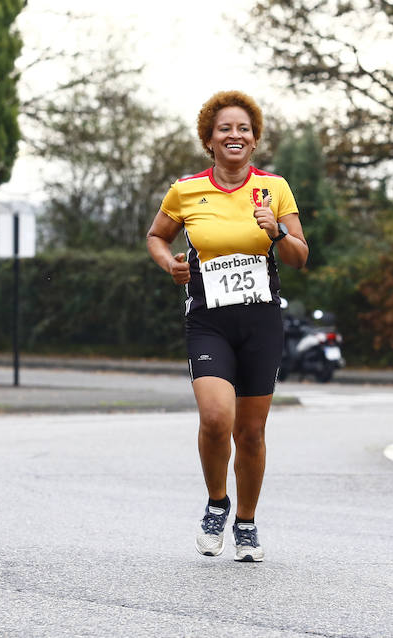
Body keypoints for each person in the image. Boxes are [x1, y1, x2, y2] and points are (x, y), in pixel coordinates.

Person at [146, 91, 308, 562]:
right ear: (210, 140)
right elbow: (157, 236)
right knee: (217, 420)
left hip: (260, 320)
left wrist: (277, 232)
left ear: (254, 140)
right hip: (208, 321)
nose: (234, 135)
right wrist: (168, 265)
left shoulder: (274, 188)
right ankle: (218, 502)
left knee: (251, 433)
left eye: (243, 129)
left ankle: (247, 522)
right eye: (225, 129)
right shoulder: (186, 190)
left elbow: (301, 256)